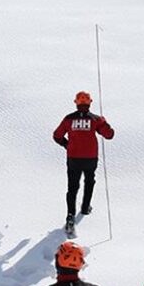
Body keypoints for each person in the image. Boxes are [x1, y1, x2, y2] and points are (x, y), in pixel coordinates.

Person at [52, 91, 114, 235]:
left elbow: (57, 135)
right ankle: (85, 207)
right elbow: (109, 135)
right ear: (90, 102)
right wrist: (104, 123)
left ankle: (70, 216)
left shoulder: (69, 119)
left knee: (72, 187)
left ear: (76, 103)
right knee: (89, 181)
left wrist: (66, 145)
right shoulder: (96, 119)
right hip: (90, 157)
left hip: (73, 157)